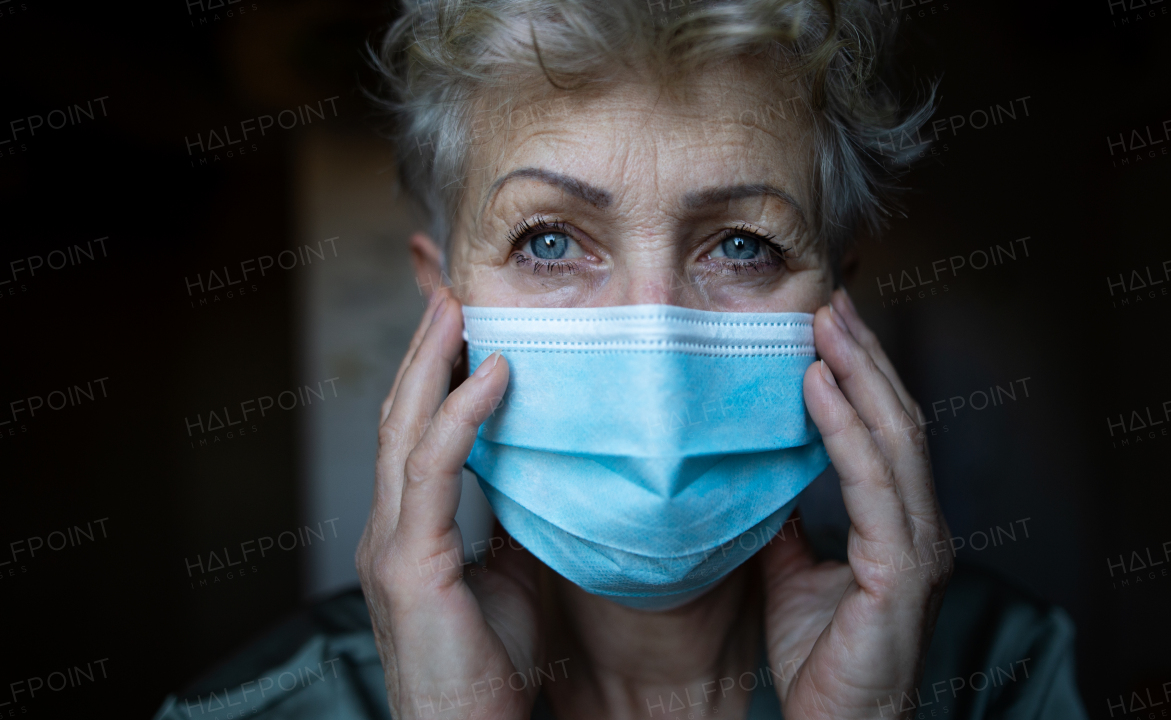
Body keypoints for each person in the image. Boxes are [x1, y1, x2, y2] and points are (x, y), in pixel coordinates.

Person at [153, 1, 1087, 718]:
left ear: (834, 301)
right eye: (550, 242)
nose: (657, 364)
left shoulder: (1009, 670)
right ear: (445, 305)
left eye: (742, 246)